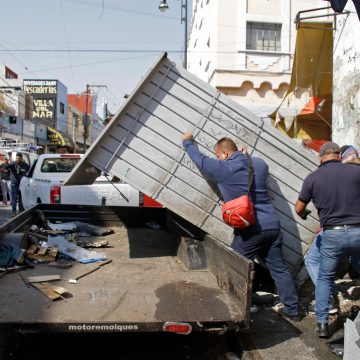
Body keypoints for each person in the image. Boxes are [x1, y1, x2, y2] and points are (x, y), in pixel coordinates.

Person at [182, 133, 300, 321]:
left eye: (219, 155)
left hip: (250, 229)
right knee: (279, 268)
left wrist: (187, 141)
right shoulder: (259, 164)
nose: (218, 158)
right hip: (272, 226)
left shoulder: (224, 168)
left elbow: (200, 160)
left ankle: (231, 310)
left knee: (233, 266)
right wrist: (246, 156)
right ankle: (293, 311)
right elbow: (251, 167)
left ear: (225, 153)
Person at [296, 141, 360, 338]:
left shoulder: (313, 178)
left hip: (332, 234)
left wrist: (306, 213)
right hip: (358, 232)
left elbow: (299, 208)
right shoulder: (356, 172)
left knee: (324, 277)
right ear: (339, 155)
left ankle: (322, 324)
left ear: (321, 157)